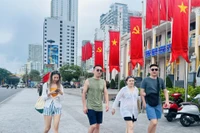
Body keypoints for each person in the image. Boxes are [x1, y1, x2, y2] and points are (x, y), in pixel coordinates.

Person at [140, 64, 169, 133]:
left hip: (157, 102)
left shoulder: (160, 80)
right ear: (149, 70)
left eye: (156, 69)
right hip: (149, 103)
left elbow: (165, 91)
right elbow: (141, 92)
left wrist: (167, 101)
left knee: (155, 123)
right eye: (152, 69)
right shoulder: (145, 80)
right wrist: (144, 102)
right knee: (154, 122)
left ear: (158, 71)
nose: (154, 71)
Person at [82, 65, 109, 133]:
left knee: (97, 126)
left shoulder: (103, 82)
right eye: (97, 70)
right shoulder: (88, 81)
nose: (99, 72)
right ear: (93, 71)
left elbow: (105, 93)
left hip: (99, 107)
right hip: (90, 107)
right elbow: (84, 93)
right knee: (93, 125)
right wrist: (84, 106)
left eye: (100, 70)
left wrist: (107, 104)